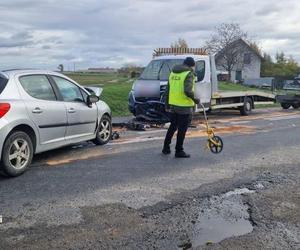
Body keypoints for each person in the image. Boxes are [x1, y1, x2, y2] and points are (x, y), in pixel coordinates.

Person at [162, 57, 200, 158]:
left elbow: (167, 90)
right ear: (192, 65)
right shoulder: (189, 74)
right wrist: (196, 100)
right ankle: (179, 151)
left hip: (173, 105)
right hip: (184, 107)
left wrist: (167, 104)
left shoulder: (173, 73)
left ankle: (166, 148)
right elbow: (187, 90)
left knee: (172, 126)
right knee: (182, 130)